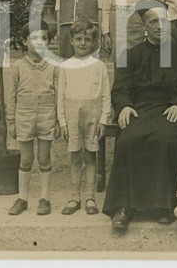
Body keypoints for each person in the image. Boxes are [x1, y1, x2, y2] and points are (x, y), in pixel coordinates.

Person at [103, 0, 177, 230]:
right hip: (140, 110)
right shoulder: (132, 53)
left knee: (167, 139)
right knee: (128, 140)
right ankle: (124, 206)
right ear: (144, 27)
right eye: (153, 22)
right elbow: (120, 88)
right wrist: (124, 106)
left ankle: (165, 204)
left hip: (171, 109)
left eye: (164, 21)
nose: (159, 26)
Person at [57, 21, 112, 216]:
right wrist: (62, 122)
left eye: (87, 40)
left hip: (93, 118)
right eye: (78, 39)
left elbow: (106, 95)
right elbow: (60, 97)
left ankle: (90, 197)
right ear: (71, 41)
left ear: (94, 42)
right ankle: (74, 197)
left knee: (90, 157)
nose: (82, 43)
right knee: (74, 158)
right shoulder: (65, 66)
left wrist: (104, 120)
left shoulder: (99, 66)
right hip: (72, 117)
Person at [6, 21, 60, 216]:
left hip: (47, 115)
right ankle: (22, 198)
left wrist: (58, 120)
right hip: (24, 116)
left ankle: (44, 198)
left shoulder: (54, 66)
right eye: (35, 38)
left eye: (44, 38)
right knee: (26, 158)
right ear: (24, 41)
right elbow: (11, 96)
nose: (40, 43)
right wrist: (11, 121)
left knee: (44, 158)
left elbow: (59, 94)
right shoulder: (18, 67)